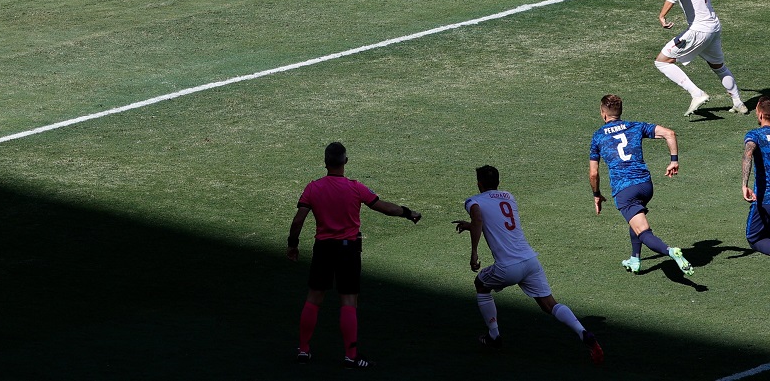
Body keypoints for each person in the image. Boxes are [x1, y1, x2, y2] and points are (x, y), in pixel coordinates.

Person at [286, 142, 421, 369]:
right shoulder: (355, 188)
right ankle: (350, 356)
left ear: (326, 162)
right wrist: (408, 213)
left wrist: (293, 245)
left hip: (323, 249)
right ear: (345, 162)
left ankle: (303, 350)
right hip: (348, 250)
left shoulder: (313, 188)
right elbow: (385, 207)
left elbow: (298, 220)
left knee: (313, 299)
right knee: (348, 301)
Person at [453, 165, 603, 365]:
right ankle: (583, 333)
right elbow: (494, 222)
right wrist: (471, 225)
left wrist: (474, 253)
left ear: (479, 183)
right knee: (549, 304)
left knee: (481, 285)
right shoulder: (508, 196)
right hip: (530, 261)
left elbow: (479, 219)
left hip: (507, 267)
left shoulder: (473, 201)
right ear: (498, 182)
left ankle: (494, 335)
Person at [589, 94, 695, 276]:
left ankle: (671, 251)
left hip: (624, 190)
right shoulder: (635, 126)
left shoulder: (598, 136)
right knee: (636, 219)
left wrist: (596, 194)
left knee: (644, 231)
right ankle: (635, 258)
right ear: (620, 111)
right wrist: (674, 161)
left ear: (603, 113)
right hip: (645, 186)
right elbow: (669, 133)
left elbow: (594, 173)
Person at [655, 0, 745, 117]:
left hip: (699, 29)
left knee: (662, 61)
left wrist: (662, 15)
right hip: (713, 26)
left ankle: (696, 94)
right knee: (718, 66)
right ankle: (738, 103)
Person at [741, 96, 770, 255]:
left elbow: (748, 154)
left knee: (754, 237)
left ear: (760, 115)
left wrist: (744, 185)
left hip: (766, 199)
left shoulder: (755, 135)